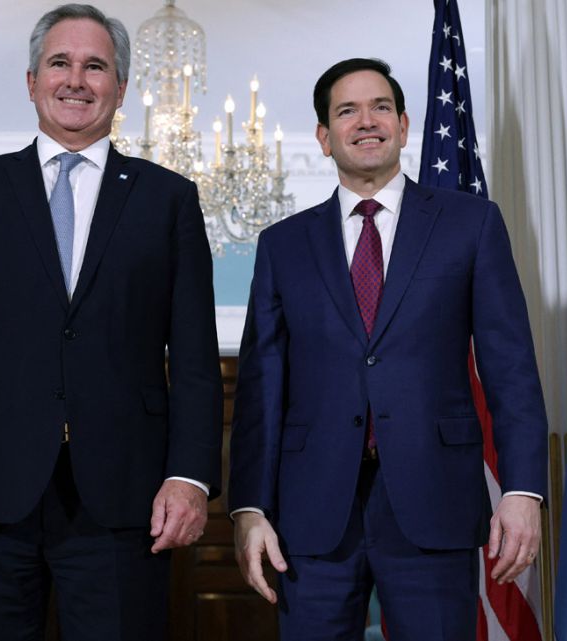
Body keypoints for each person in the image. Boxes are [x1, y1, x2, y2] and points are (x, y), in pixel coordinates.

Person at [0, 5, 223, 640]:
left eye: (95, 66)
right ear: (32, 80)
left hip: (126, 499)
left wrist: (190, 477)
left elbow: (193, 358)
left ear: (120, 88)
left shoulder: (169, 200)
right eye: (60, 63)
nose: (77, 79)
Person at [228, 58, 548, 641]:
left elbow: (511, 367)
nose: (366, 121)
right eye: (347, 110)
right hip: (311, 511)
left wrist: (523, 491)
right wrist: (250, 508)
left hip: (435, 499)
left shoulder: (470, 224)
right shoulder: (283, 245)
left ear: (403, 126)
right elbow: (261, 387)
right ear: (325, 137)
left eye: (380, 107)